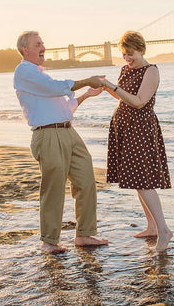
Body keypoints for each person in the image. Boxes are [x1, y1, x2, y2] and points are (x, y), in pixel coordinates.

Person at [13, 30, 109, 254]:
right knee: (53, 188)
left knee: (86, 179)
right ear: (25, 49)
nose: (43, 47)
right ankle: (49, 241)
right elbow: (56, 88)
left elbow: (63, 107)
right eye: (37, 44)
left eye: (43, 43)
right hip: (47, 136)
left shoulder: (40, 74)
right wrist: (86, 79)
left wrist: (86, 93)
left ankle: (84, 235)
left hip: (68, 131)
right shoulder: (24, 72)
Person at [102, 31, 173, 252]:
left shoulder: (151, 71)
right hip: (124, 128)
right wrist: (105, 87)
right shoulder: (126, 70)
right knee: (136, 181)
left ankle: (164, 230)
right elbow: (124, 96)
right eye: (124, 55)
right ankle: (152, 226)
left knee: (143, 181)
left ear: (141, 49)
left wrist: (113, 87)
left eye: (130, 54)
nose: (127, 59)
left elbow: (140, 102)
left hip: (140, 129)